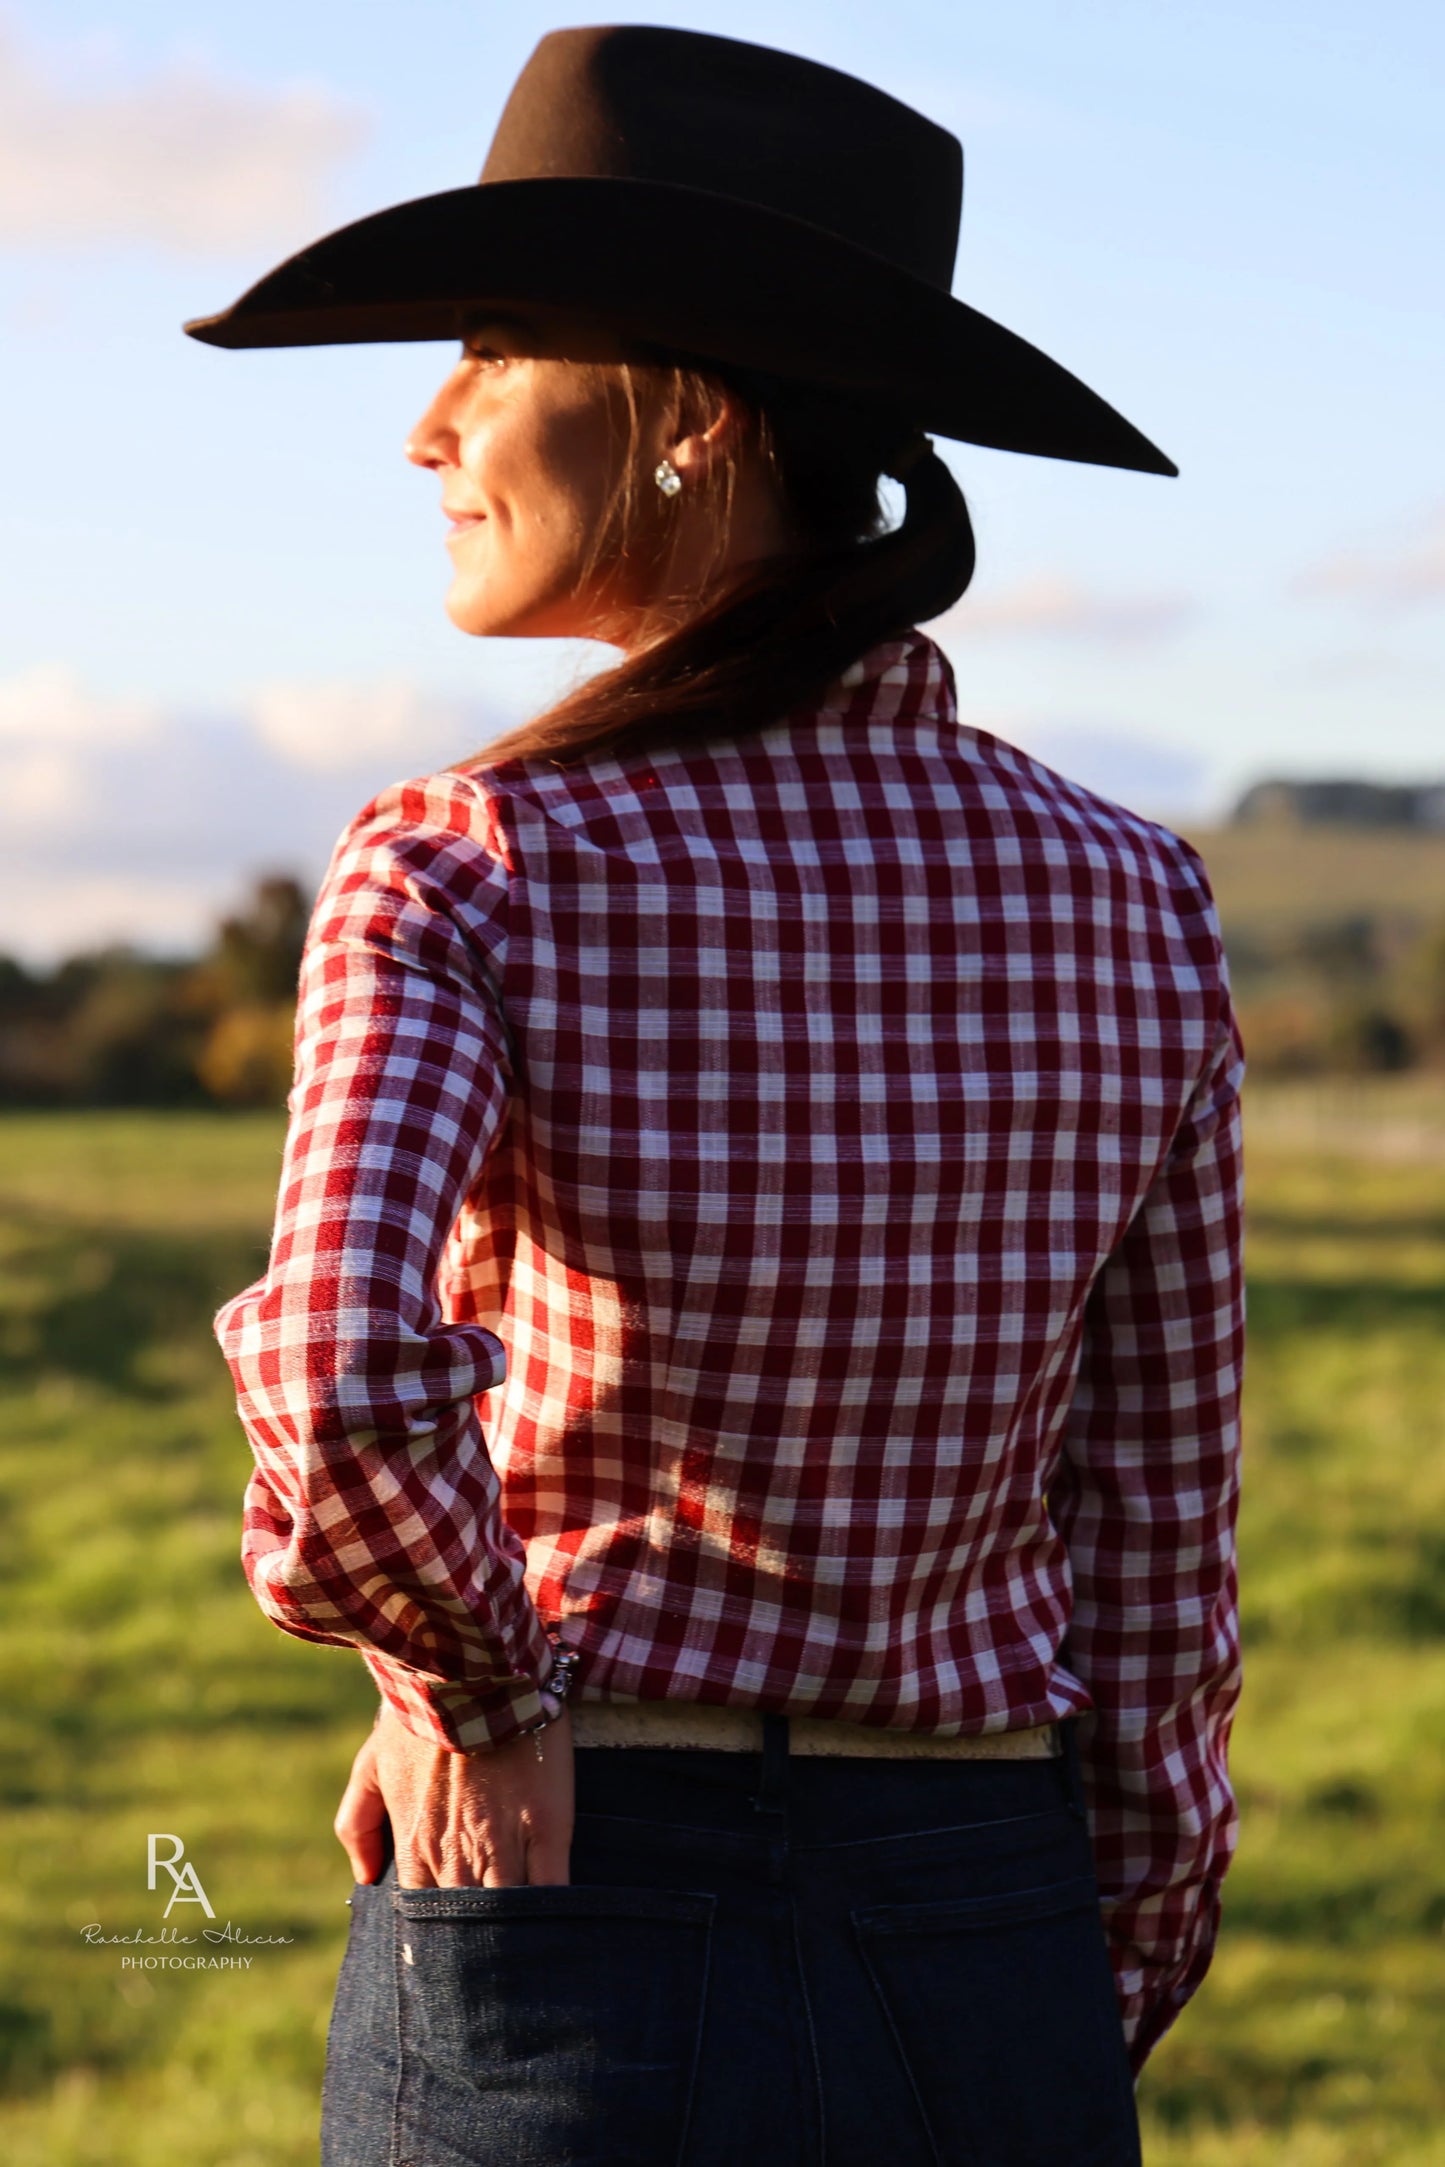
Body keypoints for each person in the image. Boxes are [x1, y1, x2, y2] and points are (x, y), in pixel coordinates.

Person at [192, 26, 1242, 2167]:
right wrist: (1088, 1963)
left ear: (688, 413)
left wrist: (470, 1695)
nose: (428, 424)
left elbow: (328, 1366)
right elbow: (1160, 1544)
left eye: (488, 346)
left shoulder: (467, 862)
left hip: (568, 1878)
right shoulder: (1139, 897)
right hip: (988, 1915)